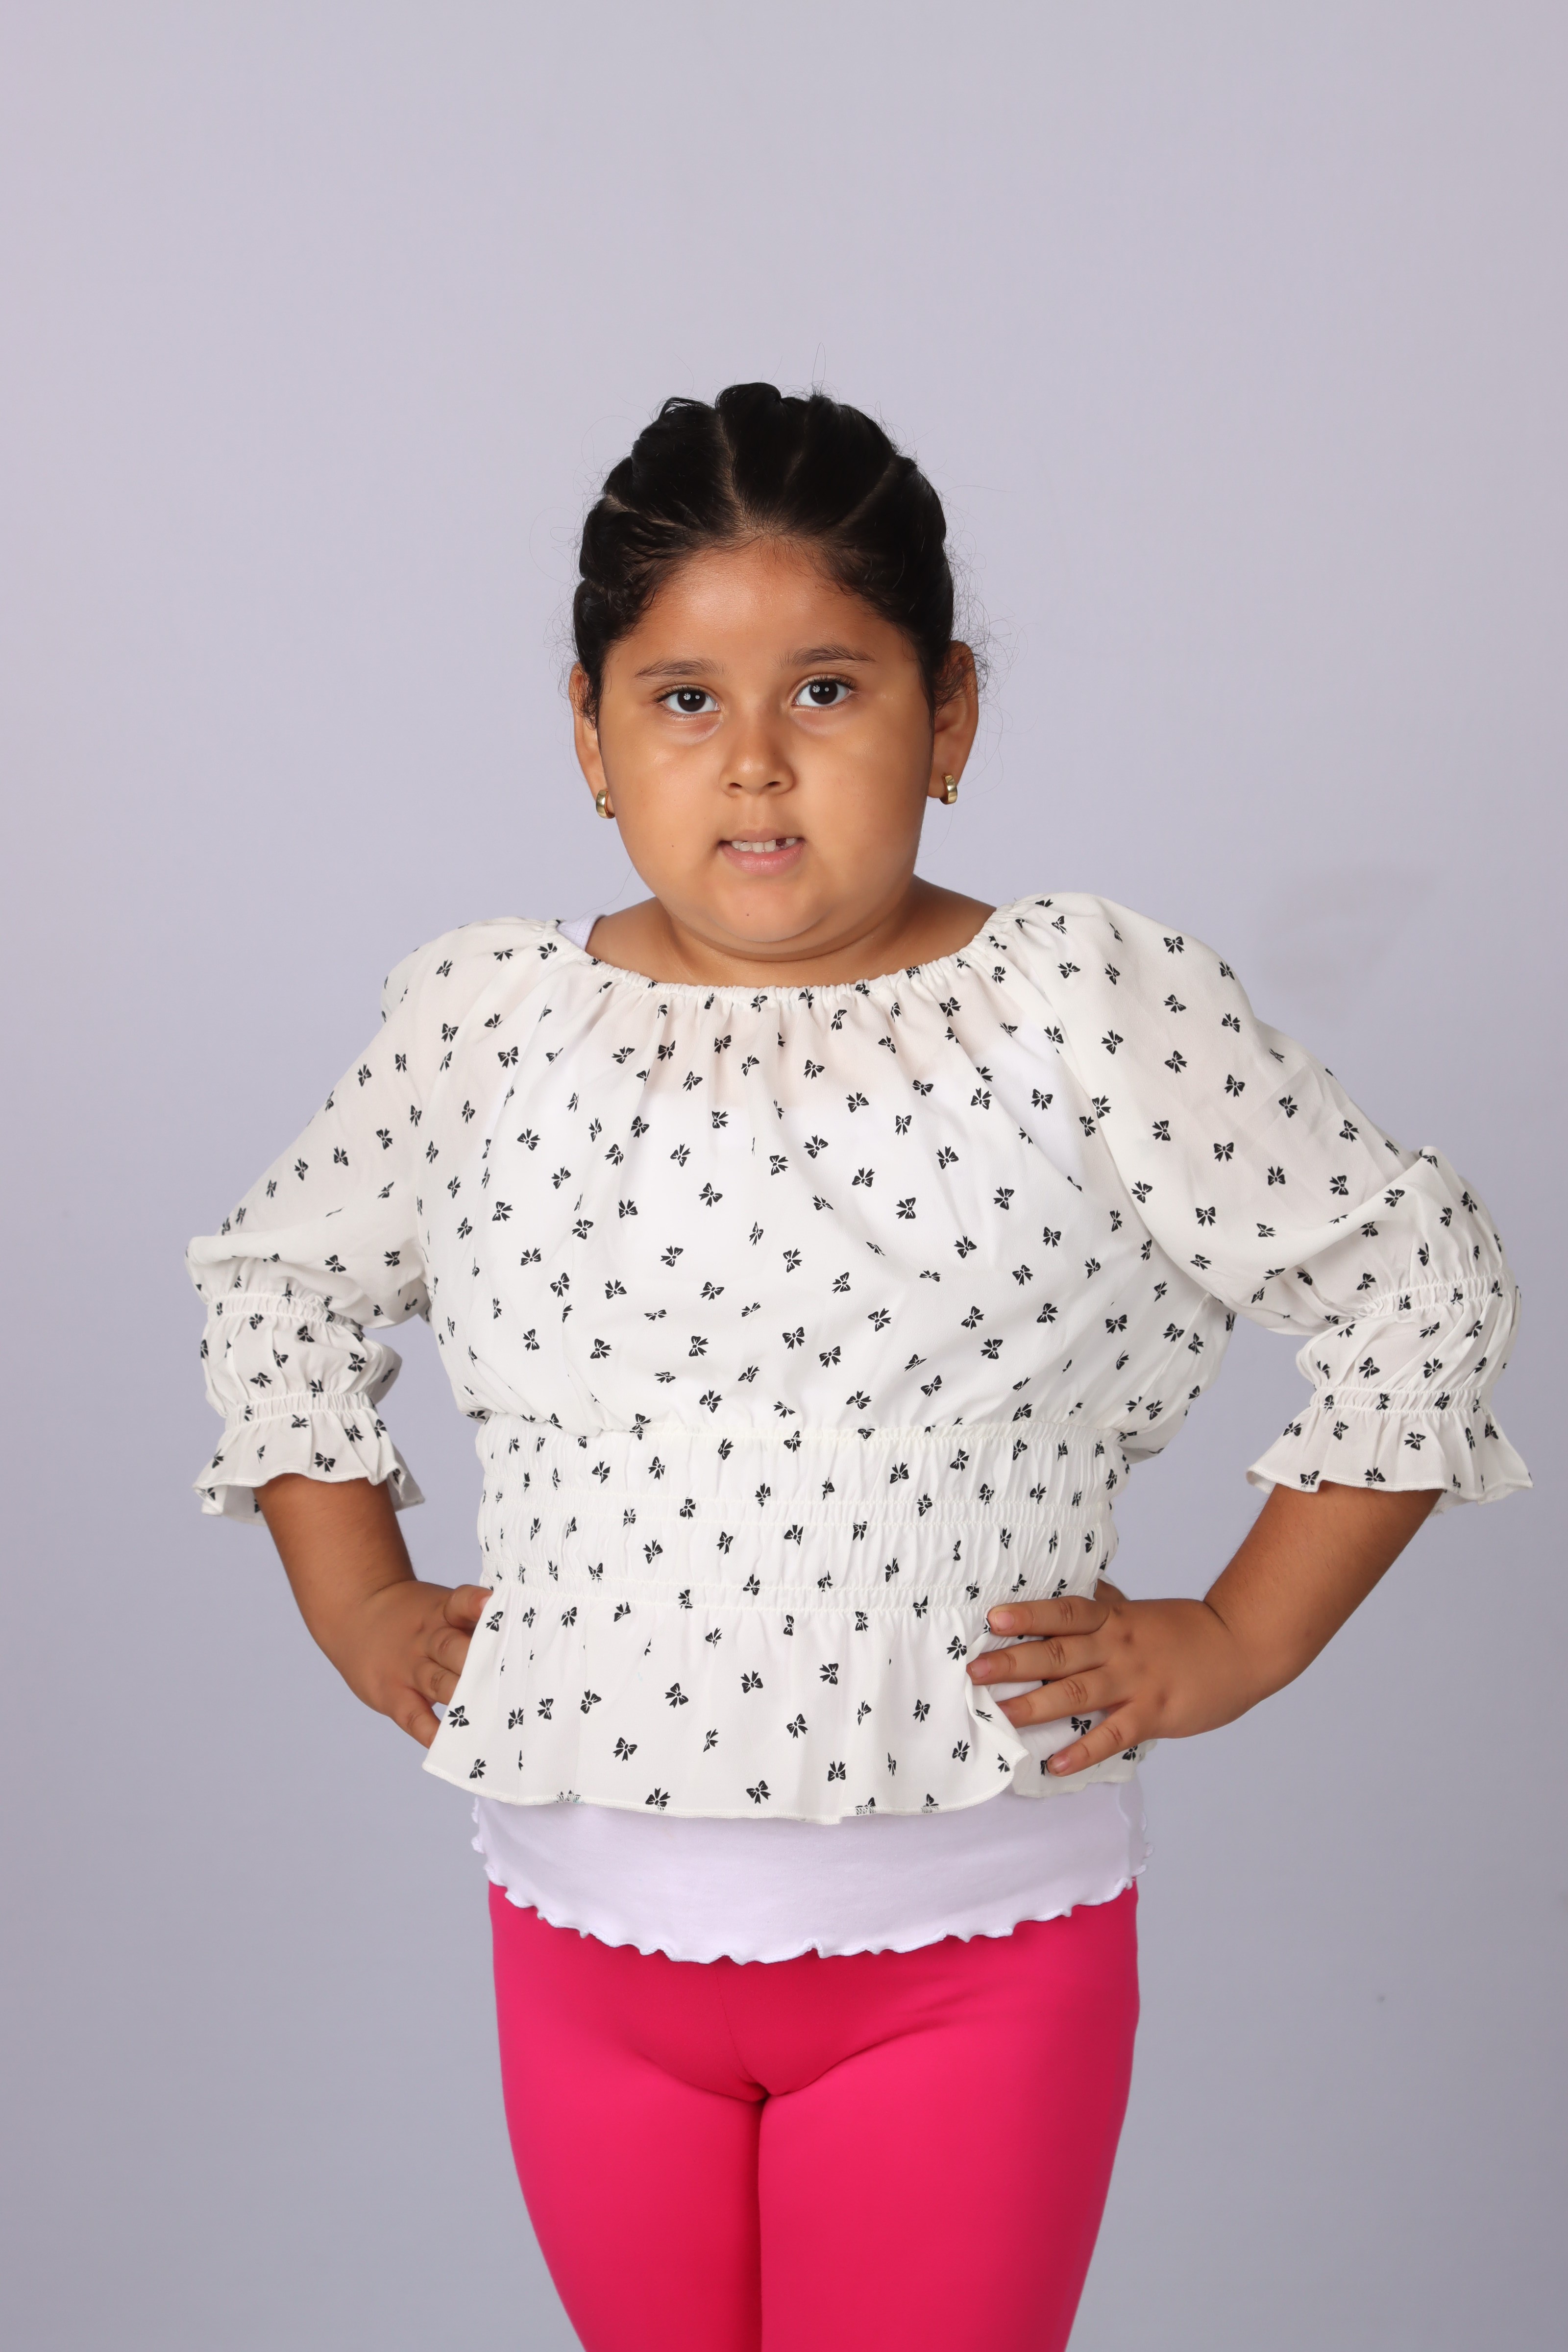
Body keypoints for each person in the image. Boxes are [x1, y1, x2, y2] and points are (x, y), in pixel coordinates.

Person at [187, 383, 1528, 2352]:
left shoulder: (1077, 1010)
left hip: (962, 1956)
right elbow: (282, 1281)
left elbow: (1414, 1276)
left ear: (948, 715)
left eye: (826, 691)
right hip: (581, 1939)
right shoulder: (490, 1024)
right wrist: (357, 1601)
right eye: (681, 701)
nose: (752, 763)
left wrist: (1241, 1637)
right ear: (588, 736)